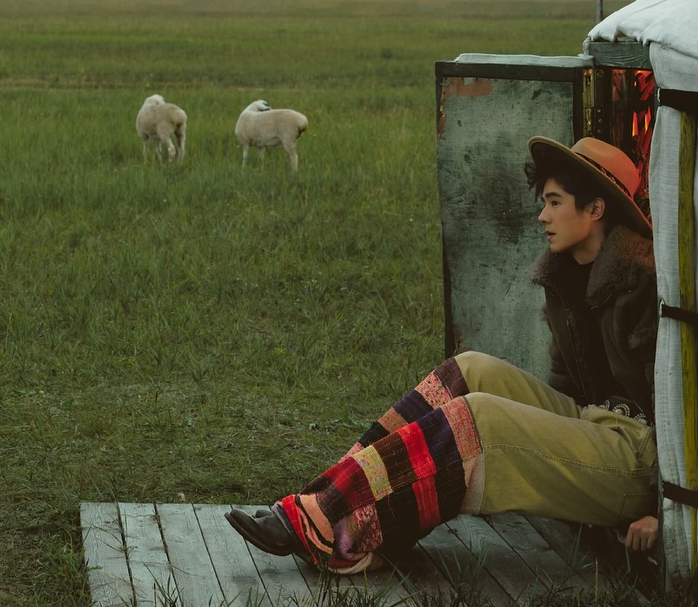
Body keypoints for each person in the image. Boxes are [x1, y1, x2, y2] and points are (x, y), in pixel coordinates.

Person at [226, 134, 662, 573]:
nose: (542, 215)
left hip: (639, 461)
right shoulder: (567, 279)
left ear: (595, 209)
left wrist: (665, 511)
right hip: (593, 430)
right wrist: (541, 437)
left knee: (483, 417)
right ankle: (327, 504)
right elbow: (565, 386)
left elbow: (689, 417)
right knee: (470, 370)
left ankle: (328, 528)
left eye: (554, 202)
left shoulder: (642, 283)